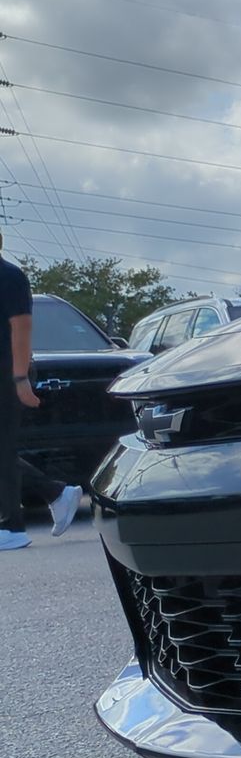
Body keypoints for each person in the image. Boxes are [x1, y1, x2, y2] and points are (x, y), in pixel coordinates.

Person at [2, 233, 84, 551]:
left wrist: (20, 378)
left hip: (9, 371)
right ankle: (57, 493)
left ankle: (11, 527)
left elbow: (21, 329)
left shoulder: (9, 276)